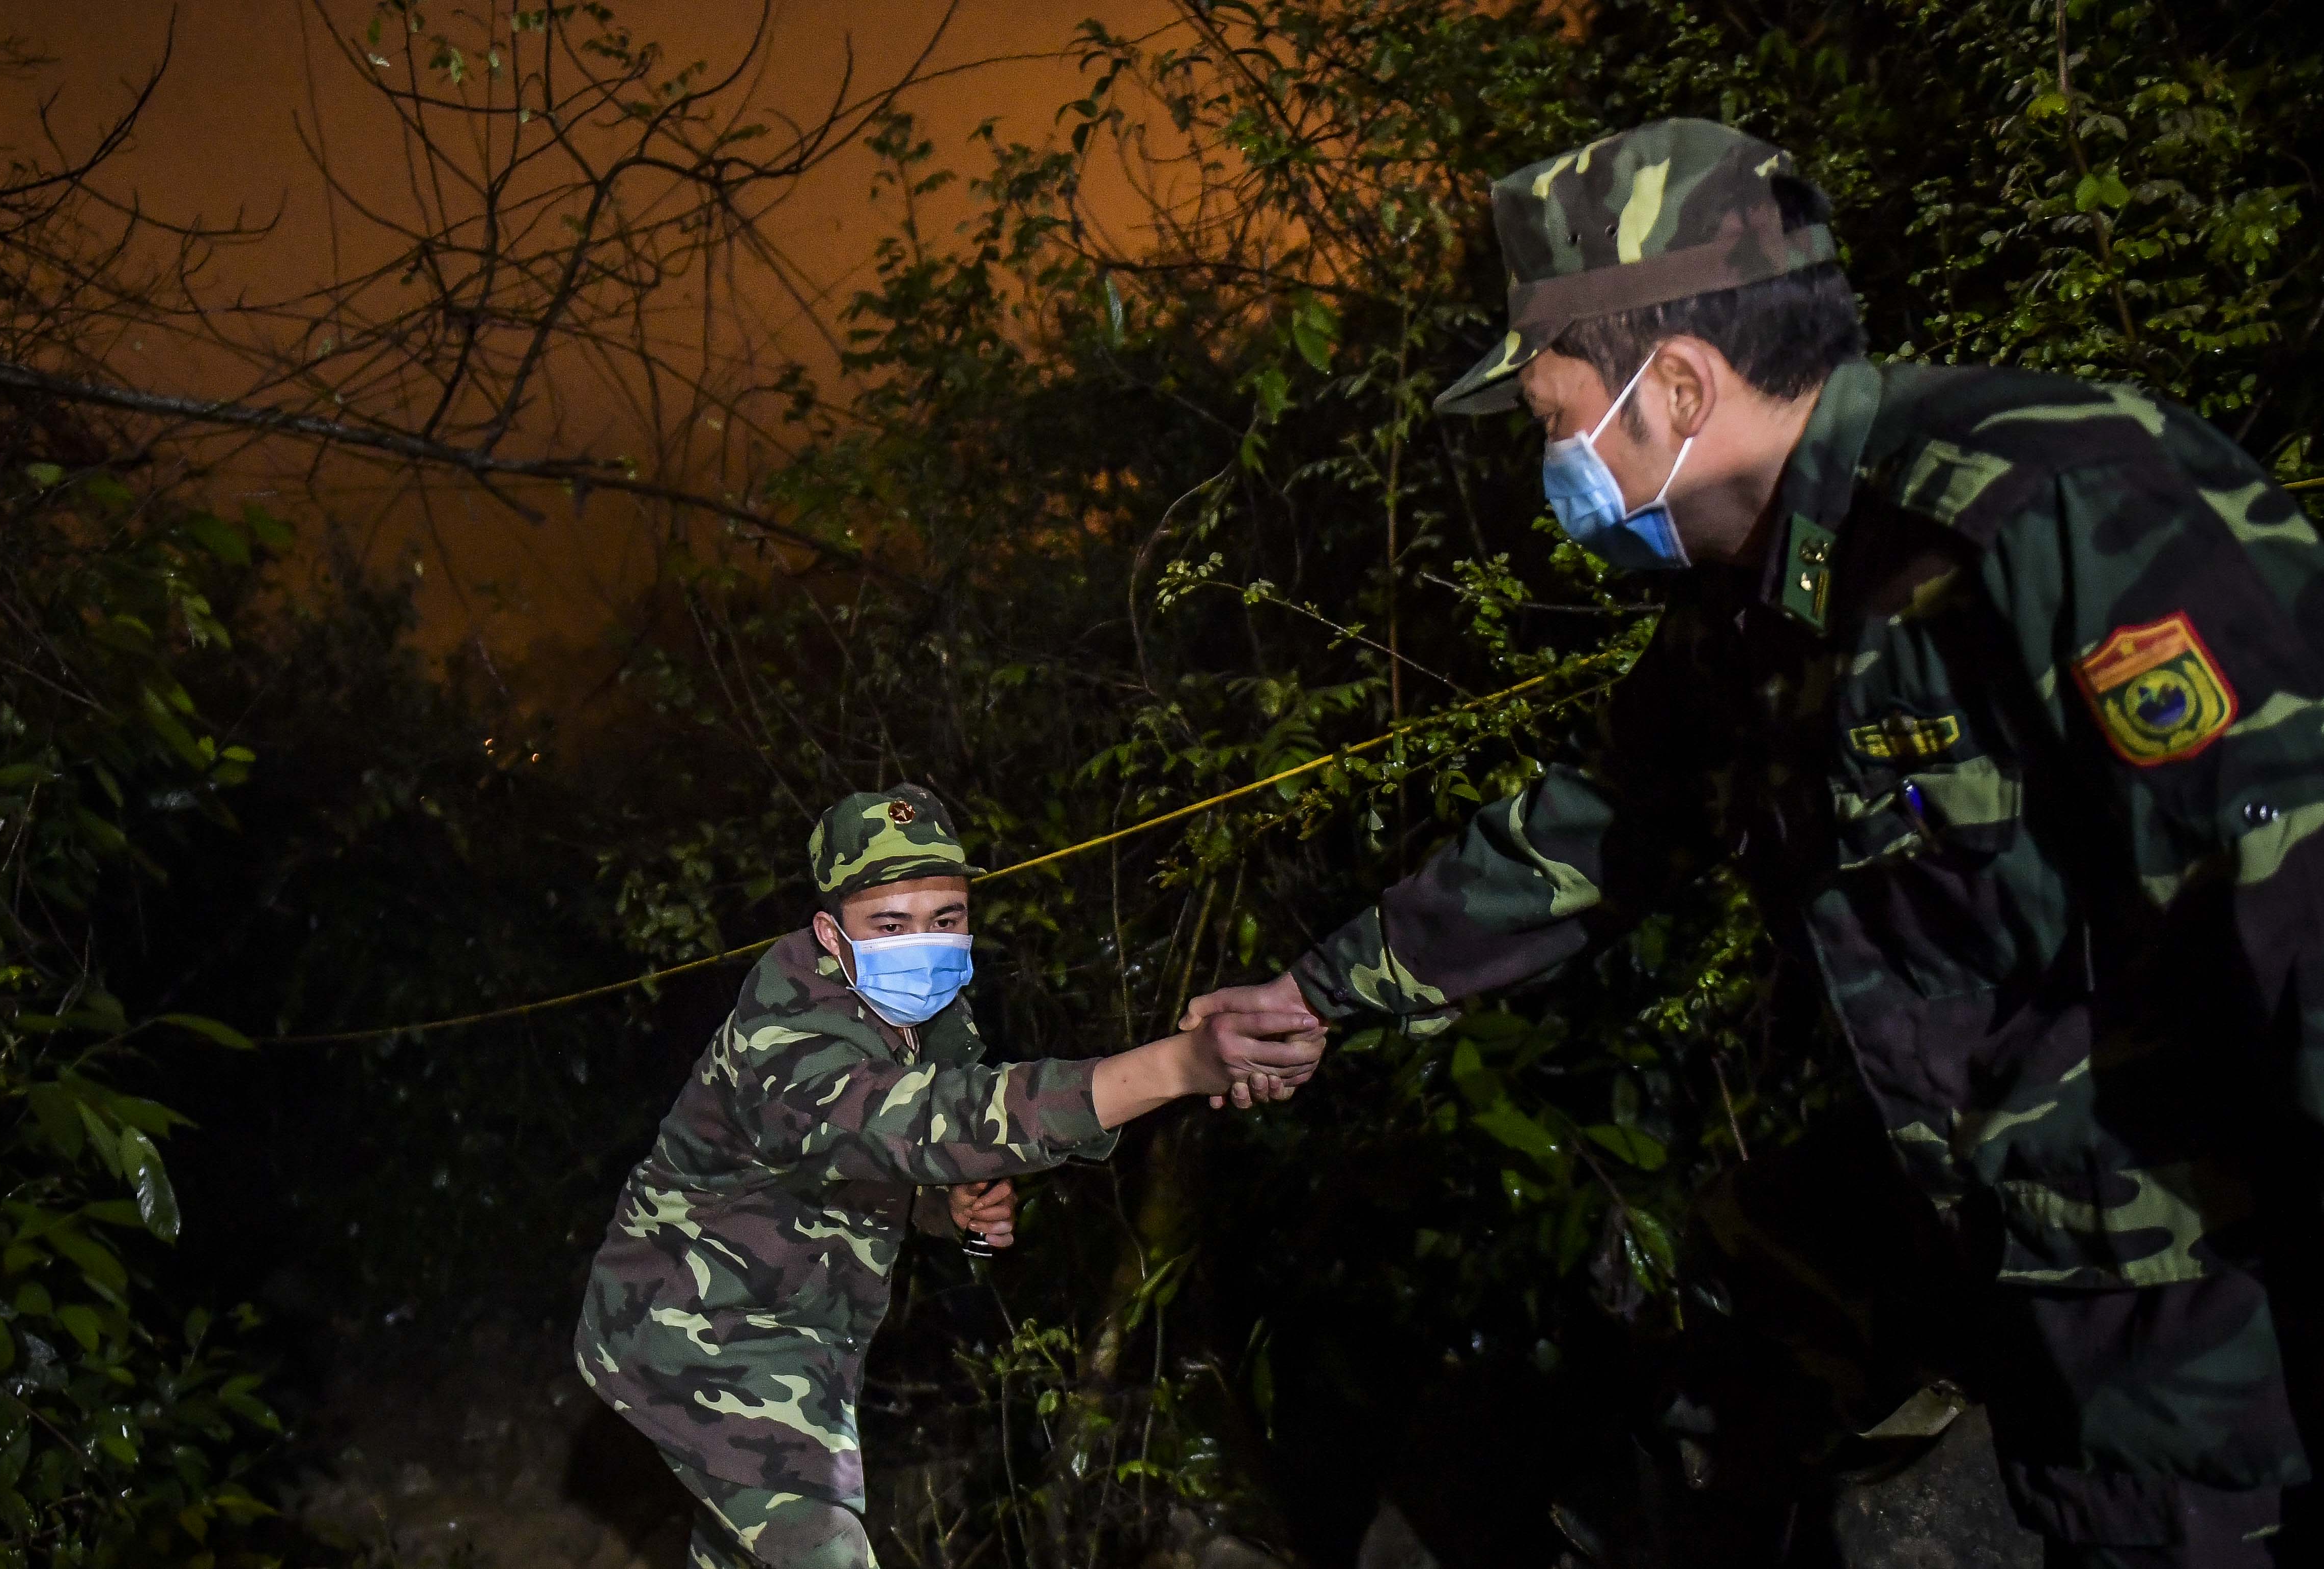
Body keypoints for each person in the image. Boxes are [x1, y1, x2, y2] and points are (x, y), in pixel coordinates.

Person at [1186, 118, 2323, 1567]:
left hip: (2198, 1296)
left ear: (1673, 386)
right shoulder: (1757, 601)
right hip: (2017, 1244)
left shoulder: (2048, 509)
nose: (1548, 461)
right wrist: (1313, 998)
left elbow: (2290, 902)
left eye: (1550, 414)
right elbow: (1593, 831)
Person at [576, 784, 1323, 1569]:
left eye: (946, 919)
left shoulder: (929, 1013)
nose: (923, 944)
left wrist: (951, 1207)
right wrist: (1177, 1063)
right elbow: (924, 1122)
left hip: (808, 1335)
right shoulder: (784, 1032)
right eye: (890, 924)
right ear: (832, 934)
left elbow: (925, 1157)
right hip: (689, 1325)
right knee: (823, 1553)